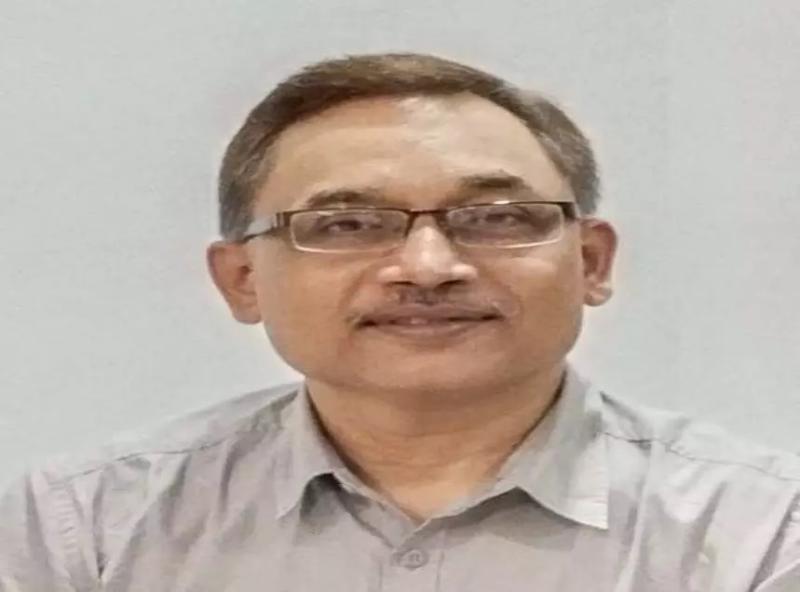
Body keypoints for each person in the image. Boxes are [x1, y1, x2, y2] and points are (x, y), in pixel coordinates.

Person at [1, 52, 798, 592]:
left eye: (497, 217)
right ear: (242, 281)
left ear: (591, 262)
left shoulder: (758, 532)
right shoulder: (88, 528)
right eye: (346, 225)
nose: (427, 266)